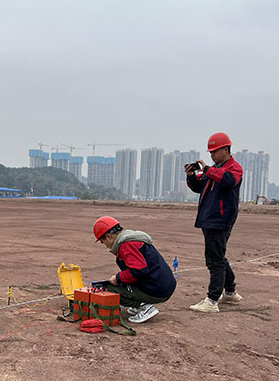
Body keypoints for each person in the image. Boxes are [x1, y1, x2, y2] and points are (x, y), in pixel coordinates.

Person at [184, 132, 244, 313]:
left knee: (214, 261)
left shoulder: (234, 168)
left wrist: (208, 169)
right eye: (210, 153)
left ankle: (211, 300)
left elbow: (228, 181)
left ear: (226, 149)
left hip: (220, 219)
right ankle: (231, 291)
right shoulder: (215, 168)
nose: (211, 155)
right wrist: (191, 176)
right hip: (209, 219)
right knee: (219, 256)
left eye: (214, 152)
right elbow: (198, 187)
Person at [93, 216, 177, 324]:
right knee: (121, 283)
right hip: (161, 284)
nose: (105, 246)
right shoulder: (131, 240)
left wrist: (118, 278)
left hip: (157, 288)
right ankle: (139, 304)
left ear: (108, 236)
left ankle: (144, 307)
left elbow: (138, 271)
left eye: (103, 242)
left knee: (110, 289)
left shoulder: (126, 245)